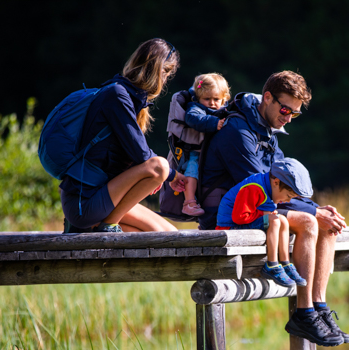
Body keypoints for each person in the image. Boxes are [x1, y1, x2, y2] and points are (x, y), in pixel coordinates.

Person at [200, 71, 349, 347]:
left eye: (295, 113)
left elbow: (283, 184)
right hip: (231, 216)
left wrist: (318, 209)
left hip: (261, 208)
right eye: (285, 109)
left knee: (326, 225)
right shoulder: (237, 132)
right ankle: (304, 313)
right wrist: (314, 212)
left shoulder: (267, 130)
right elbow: (270, 187)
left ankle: (318, 307)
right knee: (309, 221)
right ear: (267, 98)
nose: (288, 118)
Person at [61, 38, 187, 233]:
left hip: (104, 196)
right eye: (166, 73)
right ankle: (108, 225)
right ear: (159, 70)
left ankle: (100, 225)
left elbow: (125, 157)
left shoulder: (128, 97)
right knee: (160, 166)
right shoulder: (117, 95)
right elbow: (143, 156)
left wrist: (147, 178)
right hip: (85, 202)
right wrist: (171, 175)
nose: (165, 80)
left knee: (170, 234)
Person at [216, 157, 309, 288]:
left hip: (241, 223)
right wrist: (264, 215)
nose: (287, 201)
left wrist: (267, 215)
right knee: (274, 221)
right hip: (230, 227)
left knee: (283, 220)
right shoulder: (255, 188)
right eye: (288, 196)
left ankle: (285, 263)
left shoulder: (268, 187)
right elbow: (239, 217)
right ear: (276, 182)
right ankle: (271, 265)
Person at [179, 73, 231, 216]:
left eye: (216, 99)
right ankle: (189, 202)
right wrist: (214, 123)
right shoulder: (195, 108)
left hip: (214, 152)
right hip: (196, 151)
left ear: (224, 98)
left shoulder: (226, 110)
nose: (212, 103)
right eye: (206, 99)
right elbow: (193, 118)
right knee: (192, 168)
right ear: (198, 98)